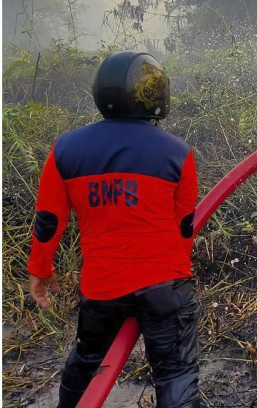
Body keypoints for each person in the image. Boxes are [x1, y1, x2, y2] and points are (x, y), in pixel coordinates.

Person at [27, 51, 202, 407]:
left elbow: (48, 222)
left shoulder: (64, 150)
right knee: (175, 374)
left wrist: (40, 271)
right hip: (165, 289)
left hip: (102, 290)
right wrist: (171, 277)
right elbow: (185, 227)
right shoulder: (177, 152)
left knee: (86, 365)